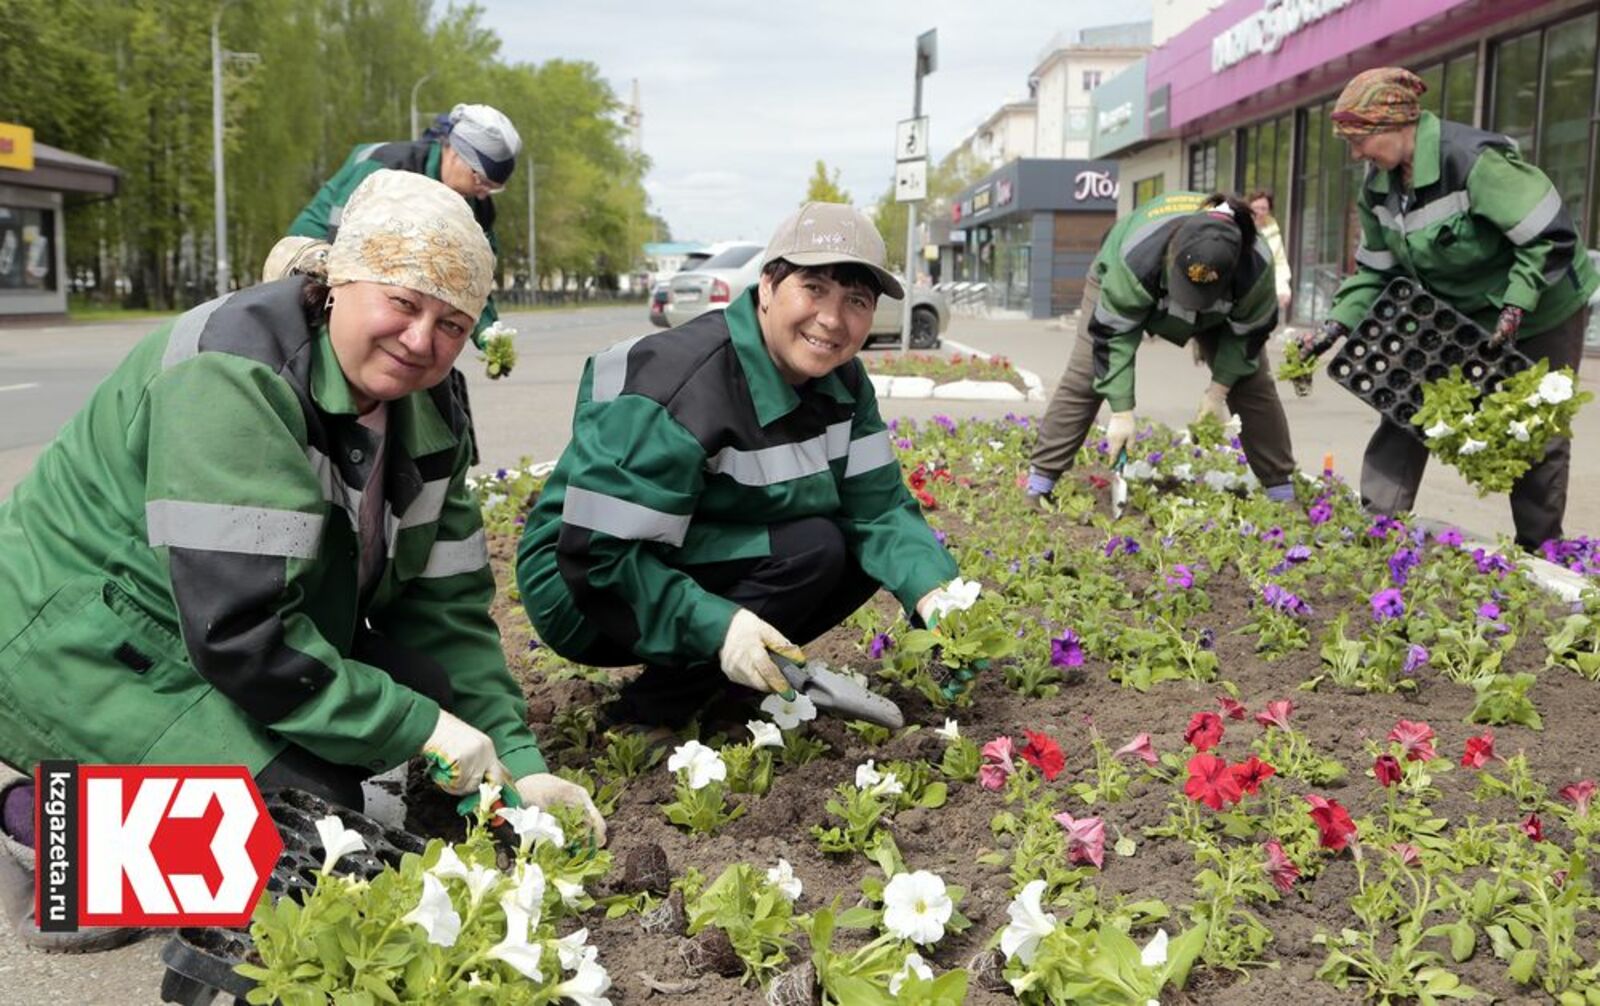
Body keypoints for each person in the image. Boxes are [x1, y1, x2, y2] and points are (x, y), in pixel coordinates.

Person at [0, 170, 601, 953]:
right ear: (340, 282)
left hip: (201, 628)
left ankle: (184, 796)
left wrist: (517, 767)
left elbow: (442, 609)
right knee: (307, 844)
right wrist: (421, 730)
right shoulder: (235, 372)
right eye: (403, 303)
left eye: (452, 324)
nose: (422, 341)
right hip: (86, 639)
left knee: (423, 693)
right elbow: (243, 636)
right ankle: (50, 829)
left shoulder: (432, 405)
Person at [516, 203, 962, 727]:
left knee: (851, 550)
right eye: (813, 288)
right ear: (769, 286)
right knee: (811, 550)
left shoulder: (844, 383)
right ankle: (655, 712)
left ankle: (722, 678)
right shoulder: (679, 384)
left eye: (856, 300)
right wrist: (721, 628)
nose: (833, 320)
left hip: (687, 545)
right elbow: (599, 557)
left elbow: (879, 510)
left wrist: (939, 598)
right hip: (580, 588)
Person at [1312, 67, 1598, 549]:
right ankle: (1378, 526)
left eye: (1361, 140)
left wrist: (1516, 306)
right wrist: (1337, 322)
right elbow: (1376, 270)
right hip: (1456, 312)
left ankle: (1541, 545)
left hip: (1543, 305)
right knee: (1406, 400)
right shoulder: (1378, 189)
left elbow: (1550, 235)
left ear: (1396, 126)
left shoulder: (1472, 160)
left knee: (1533, 423)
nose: (1357, 153)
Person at [1024, 191, 1298, 506]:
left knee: (1252, 384)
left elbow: (1247, 340)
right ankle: (1039, 482)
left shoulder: (1256, 268)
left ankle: (1282, 492)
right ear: (1173, 254)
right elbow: (1113, 337)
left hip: (1218, 314)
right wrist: (1122, 411)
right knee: (1087, 373)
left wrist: (1217, 393)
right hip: (1123, 284)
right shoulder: (1135, 257)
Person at [286, 102, 519, 352]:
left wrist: (488, 332)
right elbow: (344, 242)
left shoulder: (477, 208)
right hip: (316, 259)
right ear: (455, 152)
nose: (484, 193)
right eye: (481, 179)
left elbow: (470, 276)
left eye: (493, 187)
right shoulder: (387, 165)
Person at [1248, 190, 1293, 319]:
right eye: (1255, 208)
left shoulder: (1273, 231)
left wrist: (1283, 289)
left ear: (1269, 211)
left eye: (1264, 209)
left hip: (1264, 290)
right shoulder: (1239, 227)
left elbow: (1279, 262)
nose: (1259, 212)